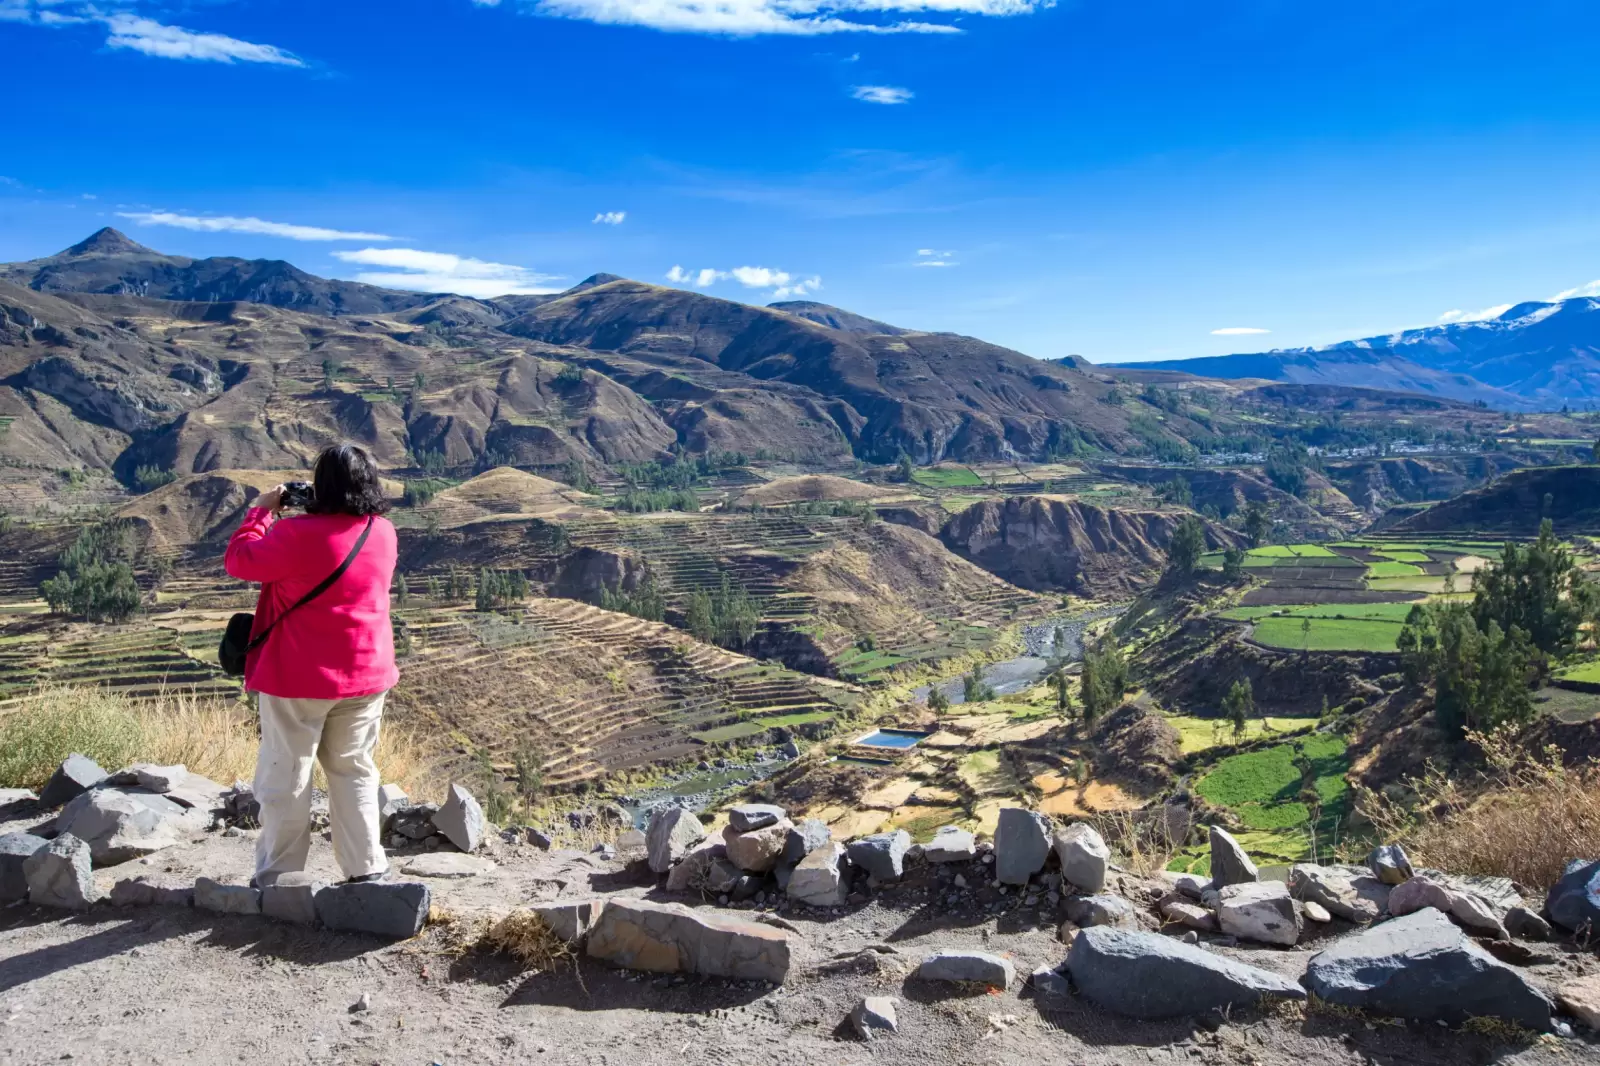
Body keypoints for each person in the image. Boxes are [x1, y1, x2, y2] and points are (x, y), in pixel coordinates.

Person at [224, 443, 399, 887]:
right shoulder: (383, 532)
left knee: (287, 774)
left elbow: (239, 561)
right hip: (366, 674)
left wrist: (261, 512)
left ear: (322, 486)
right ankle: (366, 870)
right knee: (353, 769)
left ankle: (280, 877)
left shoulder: (295, 534)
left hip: (298, 678)